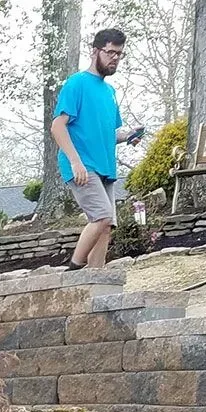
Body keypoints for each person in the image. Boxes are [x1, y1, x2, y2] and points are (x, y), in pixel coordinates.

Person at [50, 29, 144, 270]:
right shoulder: (77, 84)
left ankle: (97, 278)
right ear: (95, 51)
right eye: (110, 52)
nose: (115, 58)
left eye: (119, 54)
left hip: (105, 167)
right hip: (83, 165)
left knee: (106, 225)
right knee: (102, 215)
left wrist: (129, 136)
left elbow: (107, 134)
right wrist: (75, 161)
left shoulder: (110, 93)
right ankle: (74, 269)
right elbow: (57, 127)